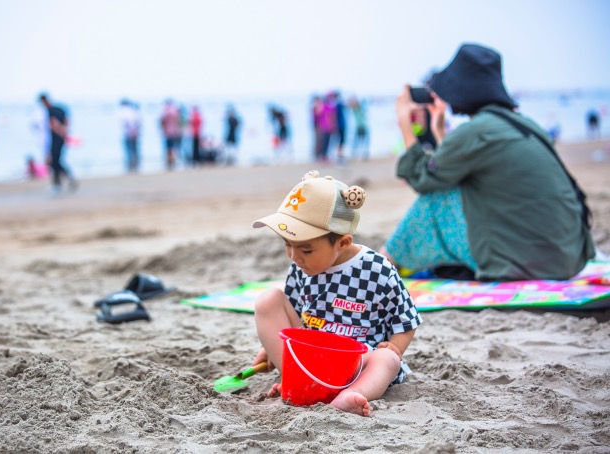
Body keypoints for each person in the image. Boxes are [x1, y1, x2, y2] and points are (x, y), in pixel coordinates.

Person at [381, 43, 594, 282]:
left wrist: (404, 122)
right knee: (453, 189)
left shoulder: (477, 132)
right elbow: (455, 168)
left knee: (435, 198)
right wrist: (438, 130)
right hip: (567, 255)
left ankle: (383, 265)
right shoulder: (521, 123)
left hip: (534, 262)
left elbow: (424, 178)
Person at [251, 170, 422, 417]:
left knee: (388, 361)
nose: (294, 256)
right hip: (312, 359)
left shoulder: (376, 269)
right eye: (287, 245)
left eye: (306, 250)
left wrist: (395, 346)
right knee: (268, 300)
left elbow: (406, 318)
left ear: (342, 242)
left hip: (357, 361)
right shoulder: (300, 267)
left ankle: (346, 397)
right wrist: (273, 348)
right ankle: (296, 380)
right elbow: (294, 316)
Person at [39, 93, 77, 195]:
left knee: (55, 161)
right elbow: (66, 120)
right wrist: (65, 131)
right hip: (60, 138)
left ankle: (60, 182)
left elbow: (54, 124)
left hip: (56, 139)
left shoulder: (51, 111)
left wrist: (60, 131)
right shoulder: (59, 109)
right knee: (56, 161)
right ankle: (62, 181)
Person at [119, 99, 141, 173]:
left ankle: (131, 165)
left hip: (129, 134)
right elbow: (138, 124)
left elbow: (129, 124)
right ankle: (135, 165)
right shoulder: (134, 112)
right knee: (134, 150)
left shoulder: (125, 112)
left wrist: (131, 132)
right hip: (134, 134)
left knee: (129, 150)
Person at [159, 100, 182, 170]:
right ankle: (173, 161)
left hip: (167, 133)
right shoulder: (175, 111)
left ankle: (169, 161)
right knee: (173, 147)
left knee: (169, 148)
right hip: (175, 132)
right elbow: (179, 121)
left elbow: (162, 121)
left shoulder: (165, 111)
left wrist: (163, 129)